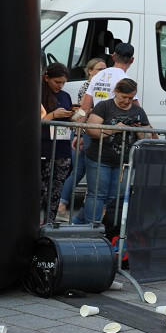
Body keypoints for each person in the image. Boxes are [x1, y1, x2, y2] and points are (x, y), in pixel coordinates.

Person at [74, 78, 155, 225]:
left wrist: (138, 130)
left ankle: (109, 229)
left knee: (116, 197)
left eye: (131, 98)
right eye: (124, 97)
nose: (127, 101)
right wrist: (115, 128)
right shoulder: (104, 106)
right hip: (100, 158)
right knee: (97, 194)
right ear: (116, 92)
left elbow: (147, 135)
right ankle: (92, 229)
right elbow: (91, 130)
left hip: (124, 162)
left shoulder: (138, 111)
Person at [56, 57, 108, 221]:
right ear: (90, 71)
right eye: (99, 69)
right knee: (79, 170)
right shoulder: (88, 86)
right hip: (84, 131)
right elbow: (84, 110)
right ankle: (62, 206)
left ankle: (64, 205)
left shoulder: (101, 86)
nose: (103, 72)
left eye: (105, 69)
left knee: (81, 170)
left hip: (87, 131)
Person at [40, 64, 74, 223]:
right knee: (40, 189)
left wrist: (74, 116)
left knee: (56, 190)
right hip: (43, 147)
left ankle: (50, 222)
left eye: (63, 83)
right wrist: (53, 114)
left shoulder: (65, 96)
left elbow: (69, 120)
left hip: (62, 147)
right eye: (57, 82)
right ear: (47, 78)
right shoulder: (38, 94)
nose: (60, 86)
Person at [80, 42, 135, 113]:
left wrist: (75, 122)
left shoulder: (97, 76)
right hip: (114, 123)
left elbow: (85, 108)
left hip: (96, 121)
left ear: (113, 57)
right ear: (132, 60)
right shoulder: (126, 81)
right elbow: (136, 111)